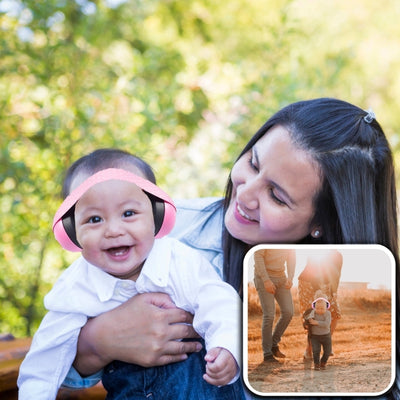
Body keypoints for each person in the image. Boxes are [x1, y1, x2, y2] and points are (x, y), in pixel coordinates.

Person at [61, 98, 398, 400]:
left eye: (277, 196)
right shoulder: (163, 233)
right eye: (252, 162)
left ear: (321, 223)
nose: (246, 193)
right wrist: (98, 342)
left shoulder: (363, 299)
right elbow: (59, 366)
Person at [17, 149, 245, 400]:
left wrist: (227, 347)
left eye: (128, 214)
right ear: (73, 232)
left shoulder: (177, 260)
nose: (113, 230)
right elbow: (46, 355)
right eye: (94, 219)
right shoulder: (76, 287)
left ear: (155, 217)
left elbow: (218, 302)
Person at [298, 249, 342, 358]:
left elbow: (337, 275)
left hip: (326, 284)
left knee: (335, 313)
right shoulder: (316, 251)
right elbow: (312, 270)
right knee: (313, 315)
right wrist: (317, 289)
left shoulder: (338, 255)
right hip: (308, 283)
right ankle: (309, 349)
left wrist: (334, 291)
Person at [253, 248, 295, 362]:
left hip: (281, 277)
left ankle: (274, 344)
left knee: (288, 312)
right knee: (269, 315)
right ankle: (267, 354)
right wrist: (266, 280)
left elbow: (291, 256)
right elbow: (258, 256)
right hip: (264, 277)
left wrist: (290, 277)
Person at [304, 294, 332, 371]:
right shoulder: (312, 313)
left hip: (326, 336)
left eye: (322, 308)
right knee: (316, 351)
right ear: (314, 307)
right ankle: (316, 364)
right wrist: (306, 325)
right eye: (317, 308)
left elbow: (327, 324)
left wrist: (316, 322)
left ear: (326, 307)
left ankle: (323, 362)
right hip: (315, 336)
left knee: (327, 351)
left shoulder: (328, 314)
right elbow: (308, 321)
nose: (319, 310)